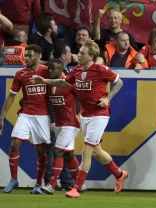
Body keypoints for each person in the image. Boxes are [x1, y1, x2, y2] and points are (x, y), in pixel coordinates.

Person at [30, 40, 128, 198]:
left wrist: (108, 99)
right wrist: (45, 81)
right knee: (96, 151)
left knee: (86, 150)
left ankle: (76, 187)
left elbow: (119, 82)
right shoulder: (77, 70)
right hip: (85, 114)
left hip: (100, 114)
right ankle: (119, 174)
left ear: (91, 56)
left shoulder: (100, 69)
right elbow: (64, 82)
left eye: (82, 52)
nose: (78, 54)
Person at [0, 44, 50, 194]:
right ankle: (13, 179)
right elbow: (11, 96)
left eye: (29, 56)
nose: (26, 58)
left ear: (38, 56)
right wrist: (1, 116)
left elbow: (63, 85)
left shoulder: (48, 72)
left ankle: (39, 184)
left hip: (43, 116)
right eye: (25, 55)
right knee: (15, 144)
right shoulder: (20, 74)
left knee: (41, 151)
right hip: (26, 114)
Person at [40, 58, 83, 195]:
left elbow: (82, 97)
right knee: (68, 155)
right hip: (60, 124)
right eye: (49, 69)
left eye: (54, 69)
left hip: (70, 124)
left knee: (57, 151)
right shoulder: (49, 85)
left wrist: (79, 113)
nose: (50, 71)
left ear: (61, 70)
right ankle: (79, 184)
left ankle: (51, 185)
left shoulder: (68, 84)